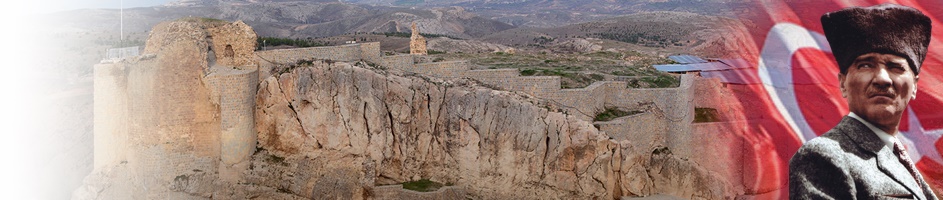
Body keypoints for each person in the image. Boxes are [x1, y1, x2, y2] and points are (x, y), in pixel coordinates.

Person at [789, 3, 939, 200]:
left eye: (896, 67)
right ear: (843, 83)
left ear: (915, 87)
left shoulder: (901, 162)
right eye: (866, 65)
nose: (883, 79)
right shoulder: (823, 156)